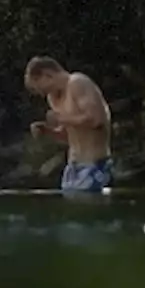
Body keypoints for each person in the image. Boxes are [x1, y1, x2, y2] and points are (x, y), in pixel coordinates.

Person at [24, 56, 113, 193]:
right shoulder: (53, 98)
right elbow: (70, 136)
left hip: (95, 163)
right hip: (72, 167)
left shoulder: (77, 82)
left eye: (39, 87)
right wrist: (48, 131)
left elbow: (97, 120)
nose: (41, 94)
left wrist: (61, 119)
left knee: (88, 207)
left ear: (47, 74)